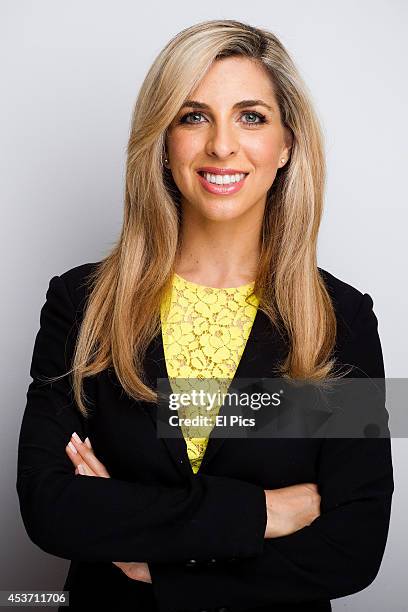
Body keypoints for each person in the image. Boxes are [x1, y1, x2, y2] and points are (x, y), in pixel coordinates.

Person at [16, 18, 394, 612]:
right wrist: (264, 512)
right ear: (163, 141)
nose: (222, 145)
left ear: (287, 143)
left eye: (251, 116)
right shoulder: (82, 303)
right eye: (193, 116)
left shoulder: (340, 318)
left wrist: (156, 560)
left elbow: (356, 543)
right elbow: (50, 507)